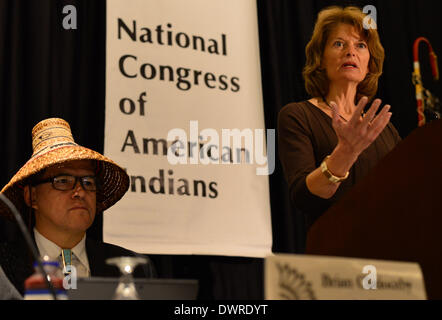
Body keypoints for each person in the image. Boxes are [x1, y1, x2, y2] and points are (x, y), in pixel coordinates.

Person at [278, 6, 401, 231]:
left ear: (369, 63)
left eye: (360, 45)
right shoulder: (298, 116)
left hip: (389, 253)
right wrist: (346, 152)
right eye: (338, 43)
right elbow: (303, 197)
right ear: (321, 59)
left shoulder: (385, 129)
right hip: (334, 252)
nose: (350, 52)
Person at [0, 118, 154, 295]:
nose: (80, 192)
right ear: (32, 197)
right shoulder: (3, 266)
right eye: (63, 181)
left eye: (88, 182)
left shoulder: (134, 268)